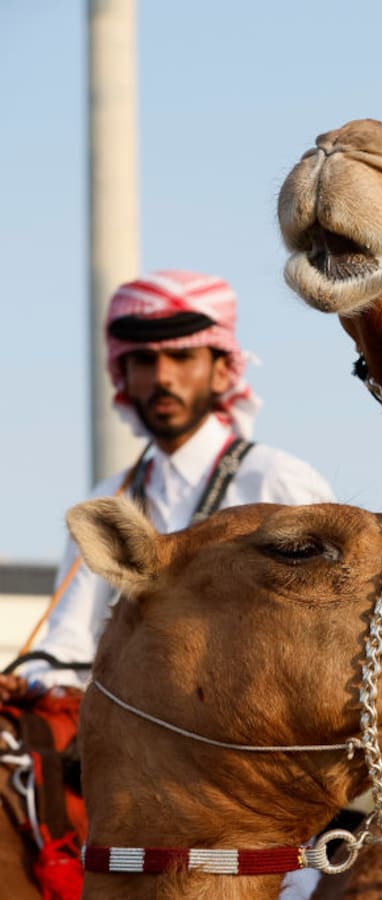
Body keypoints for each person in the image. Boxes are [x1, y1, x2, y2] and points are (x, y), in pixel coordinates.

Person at [1, 270, 335, 699]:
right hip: (136, 743)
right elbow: (68, 644)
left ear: (220, 371)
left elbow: (329, 630)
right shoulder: (109, 500)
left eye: (182, 358)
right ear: (123, 374)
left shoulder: (278, 481)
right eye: (144, 360)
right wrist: (29, 686)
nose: (162, 377)